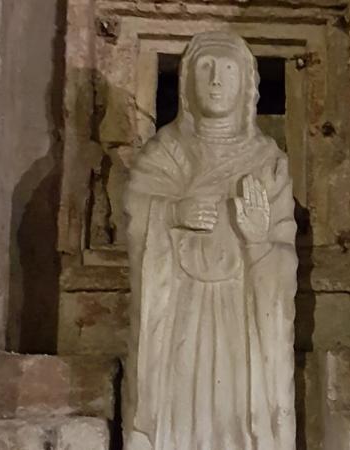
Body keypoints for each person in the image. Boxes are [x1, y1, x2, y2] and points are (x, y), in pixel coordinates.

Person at [123, 31, 298, 450]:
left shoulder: (267, 162)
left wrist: (257, 242)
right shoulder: (163, 155)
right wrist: (171, 214)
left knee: (236, 415)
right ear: (187, 82)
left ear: (247, 85)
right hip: (179, 310)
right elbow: (136, 214)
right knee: (179, 412)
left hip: (243, 314)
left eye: (229, 70)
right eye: (205, 68)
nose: (216, 80)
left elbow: (283, 254)